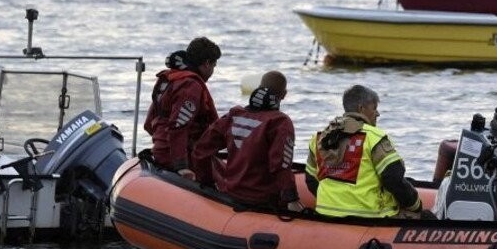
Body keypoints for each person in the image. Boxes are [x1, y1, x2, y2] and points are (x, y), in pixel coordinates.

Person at [304, 84, 424, 219]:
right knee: (427, 218)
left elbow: (311, 179)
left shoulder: (320, 138)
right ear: (361, 108)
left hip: (326, 214)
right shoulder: (374, 137)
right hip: (369, 217)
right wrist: (415, 205)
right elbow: (393, 178)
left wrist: (335, 203)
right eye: (374, 108)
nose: (378, 114)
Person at [192, 70, 302, 213]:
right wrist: (291, 199)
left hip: (231, 193)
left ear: (259, 87)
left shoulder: (234, 115)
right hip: (263, 199)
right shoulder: (280, 122)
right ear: (284, 94)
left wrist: (206, 183)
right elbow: (281, 164)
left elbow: (201, 150)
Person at [144, 36, 220, 179]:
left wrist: (160, 143)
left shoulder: (169, 80)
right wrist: (181, 166)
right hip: (181, 157)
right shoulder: (190, 86)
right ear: (207, 63)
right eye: (214, 66)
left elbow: (148, 124)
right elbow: (178, 126)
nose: (212, 71)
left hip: (161, 151)